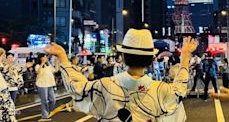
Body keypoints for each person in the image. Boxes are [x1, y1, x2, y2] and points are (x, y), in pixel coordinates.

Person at [46, 29, 198, 121]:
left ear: (123, 57)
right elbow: (179, 89)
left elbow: (77, 87)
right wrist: (185, 56)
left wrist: (63, 58)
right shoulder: (160, 90)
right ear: (151, 60)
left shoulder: (105, 85)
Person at [35, 53, 59, 121]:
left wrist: (56, 63)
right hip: (42, 85)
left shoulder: (48, 65)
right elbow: (38, 71)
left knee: (53, 100)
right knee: (44, 101)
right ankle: (44, 116)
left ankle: (46, 112)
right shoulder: (37, 65)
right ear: (40, 58)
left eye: (46, 57)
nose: (46, 58)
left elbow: (56, 70)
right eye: (44, 57)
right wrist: (42, 63)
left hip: (50, 84)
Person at [0, 48, 17, 122]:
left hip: (5, 95)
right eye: (3, 55)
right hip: (3, 96)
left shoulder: (2, 67)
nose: (4, 57)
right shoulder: (2, 67)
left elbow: (11, 80)